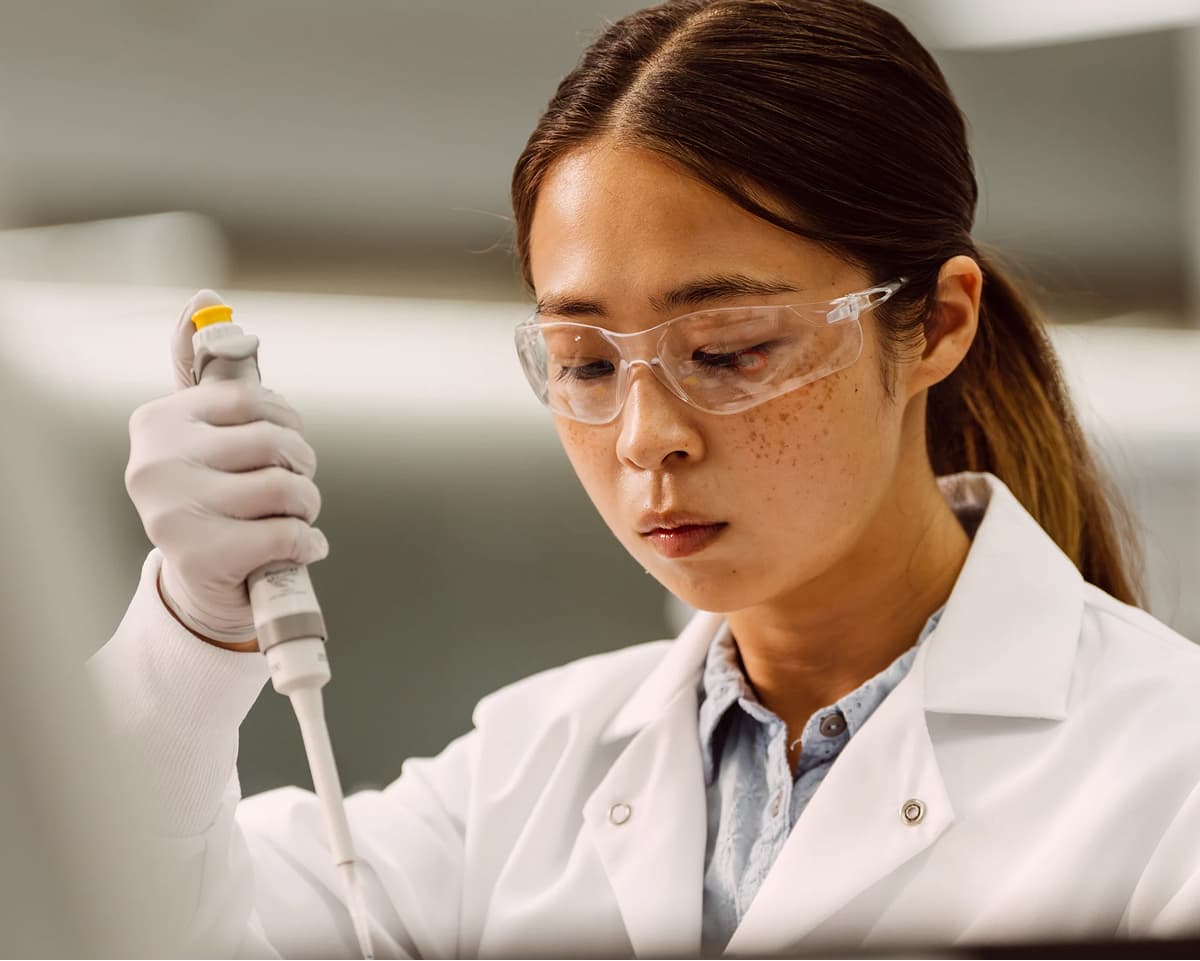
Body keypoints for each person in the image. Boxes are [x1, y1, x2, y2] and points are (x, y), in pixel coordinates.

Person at [88, 0, 1200, 956]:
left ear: (936, 324)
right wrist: (185, 635)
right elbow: (113, 922)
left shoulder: (1164, 772)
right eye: (584, 363)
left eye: (729, 350)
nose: (644, 435)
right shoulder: (524, 781)